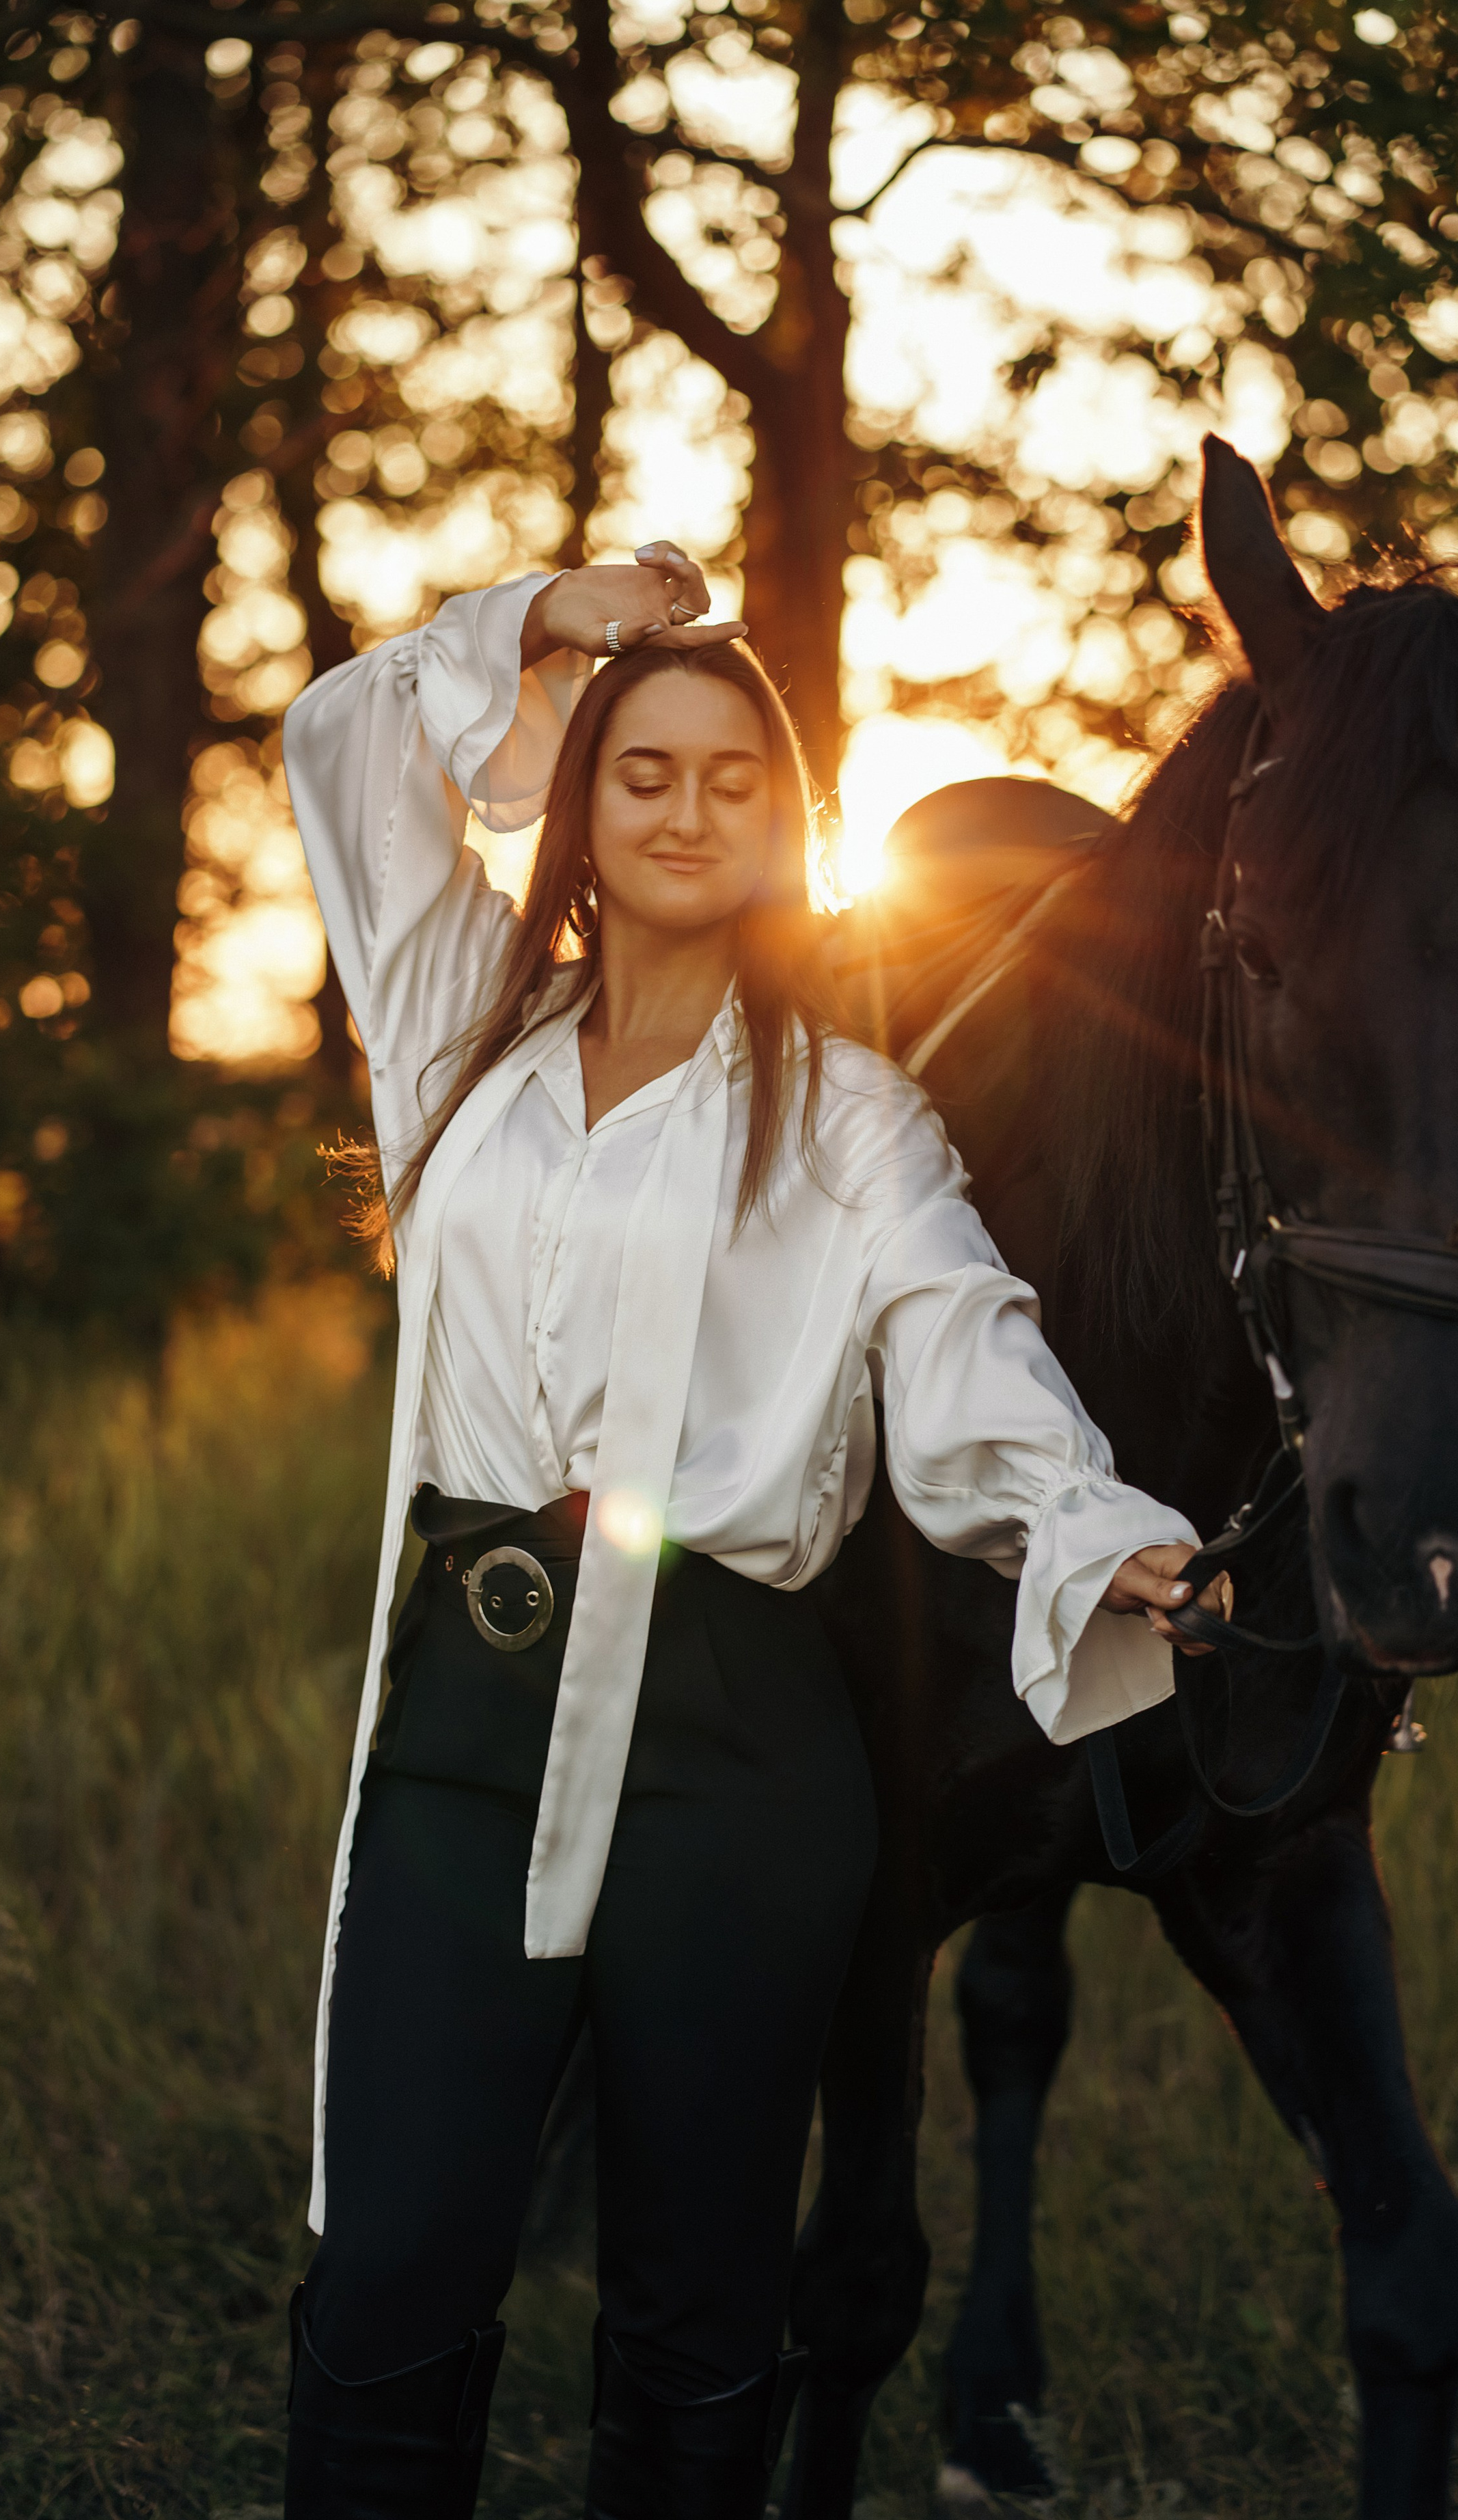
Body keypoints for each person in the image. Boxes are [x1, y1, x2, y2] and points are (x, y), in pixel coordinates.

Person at [280, 543, 1215, 2520]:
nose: (691, 807)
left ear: (789, 825)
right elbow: (354, 739)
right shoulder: (459, 1019)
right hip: (465, 1716)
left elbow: (964, 1346)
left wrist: (1092, 1530)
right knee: (389, 2284)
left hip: (736, 1742)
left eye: (735, 778)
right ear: (587, 808)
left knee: (699, 2328)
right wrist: (552, 619)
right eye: (648, 772)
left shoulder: (857, 1116)